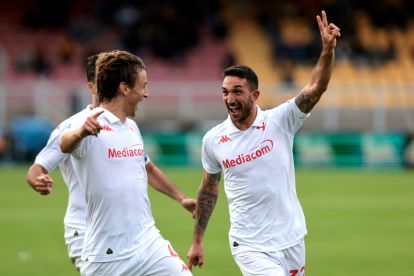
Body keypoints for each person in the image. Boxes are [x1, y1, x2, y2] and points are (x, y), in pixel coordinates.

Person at [187, 10, 340, 276]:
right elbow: (208, 190)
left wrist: (327, 50)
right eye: (225, 92)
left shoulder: (280, 120)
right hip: (249, 245)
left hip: (291, 238)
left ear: (255, 95)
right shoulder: (213, 140)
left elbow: (316, 88)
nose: (229, 98)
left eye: (237, 91)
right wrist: (197, 240)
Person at [60, 50, 194, 275]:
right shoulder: (90, 125)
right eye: (143, 85)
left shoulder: (131, 127)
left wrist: (181, 198)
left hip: (148, 242)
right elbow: (65, 144)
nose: (146, 94)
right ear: (124, 88)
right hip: (107, 256)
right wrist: (81, 132)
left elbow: (146, 168)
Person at [26, 53, 101, 270]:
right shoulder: (71, 126)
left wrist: (180, 197)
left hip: (116, 229)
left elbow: (147, 166)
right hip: (83, 228)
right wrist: (37, 179)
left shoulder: (124, 125)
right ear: (91, 86)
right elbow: (37, 168)